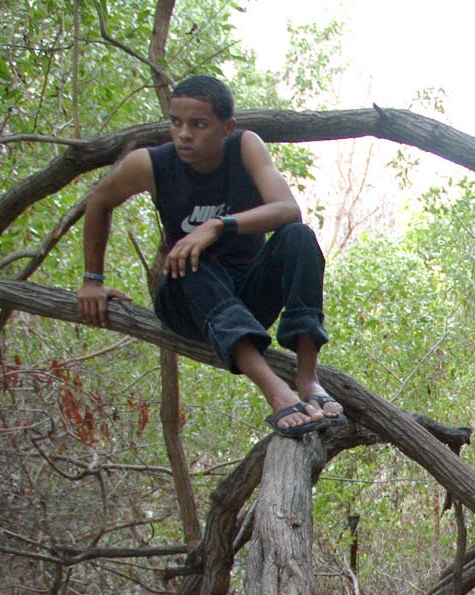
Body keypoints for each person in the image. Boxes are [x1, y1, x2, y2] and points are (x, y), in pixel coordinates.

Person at [76, 74, 344, 438]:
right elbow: (99, 200)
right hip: (186, 302)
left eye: (199, 124)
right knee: (185, 257)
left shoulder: (245, 146)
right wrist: (93, 280)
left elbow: (287, 209)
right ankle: (276, 391)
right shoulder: (151, 164)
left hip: (246, 300)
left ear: (226, 127)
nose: (184, 134)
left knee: (298, 237)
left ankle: (307, 378)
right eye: (176, 122)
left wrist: (218, 225)